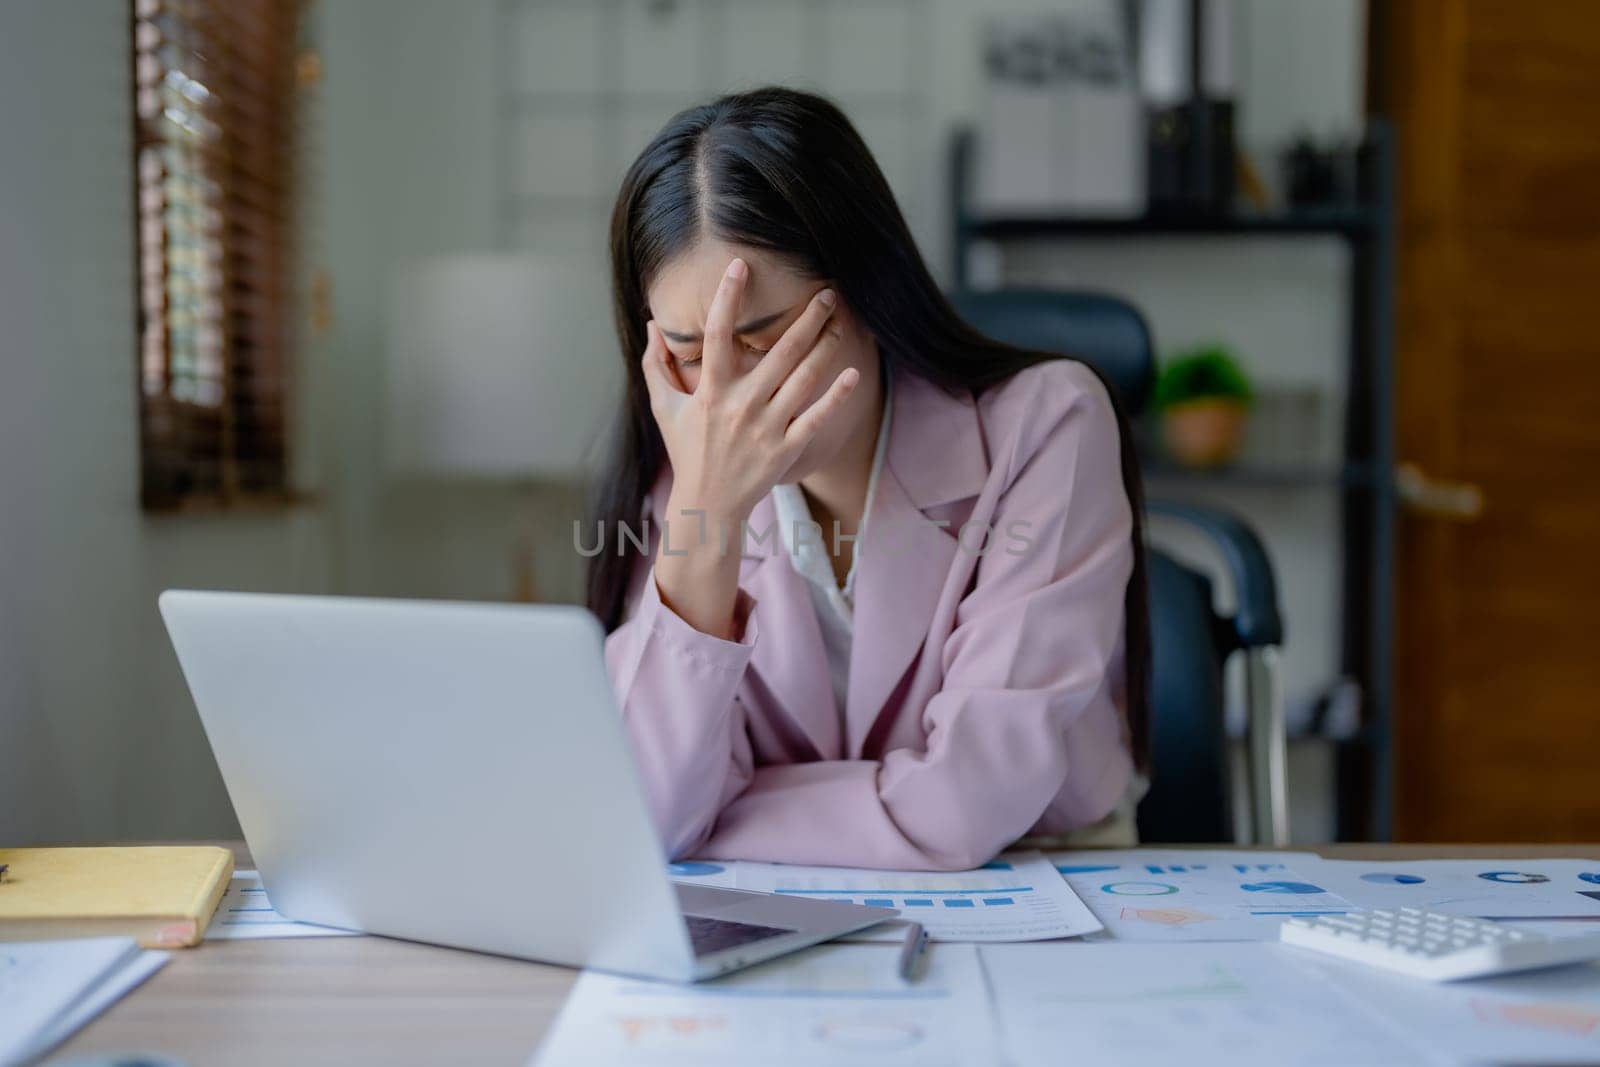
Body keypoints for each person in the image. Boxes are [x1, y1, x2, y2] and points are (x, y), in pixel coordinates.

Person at [584, 87, 1149, 871]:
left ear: (863, 289)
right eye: (688, 351)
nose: (726, 395)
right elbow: (647, 812)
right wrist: (705, 520)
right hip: (791, 901)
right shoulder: (679, 477)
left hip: (1043, 870)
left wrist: (720, 818)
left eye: (763, 338)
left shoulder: (1048, 423)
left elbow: (967, 803)